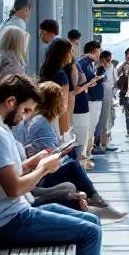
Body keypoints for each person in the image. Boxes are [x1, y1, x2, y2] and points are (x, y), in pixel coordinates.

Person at [0, 74, 129, 255]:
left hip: (16, 213)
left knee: (92, 219)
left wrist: (34, 162)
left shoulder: (0, 131)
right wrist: (43, 170)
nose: (26, 116)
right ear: (10, 101)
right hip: (12, 220)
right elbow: (13, 187)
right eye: (25, 109)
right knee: (90, 232)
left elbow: (9, 174)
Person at [15, 80, 126, 221]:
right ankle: (97, 201)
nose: (65, 102)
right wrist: (65, 151)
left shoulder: (42, 121)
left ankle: (94, 202)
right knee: (73, 166)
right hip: (39, 177)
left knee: (73, 168)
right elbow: (48, 156)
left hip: (38, 174)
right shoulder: (41, 123)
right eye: (61, 99)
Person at [39, 38, 92, 169]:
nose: (72, 54)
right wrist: (67, 138)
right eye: (70, 51)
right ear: (64, 53)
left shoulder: (46, 71)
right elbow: (63, 108)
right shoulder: (62, 75)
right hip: (58, 122)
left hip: (45, 119)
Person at [76, 41, 105, 162]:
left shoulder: (88, 64)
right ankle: (84, 154)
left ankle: (86, 153)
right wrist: (92, 81)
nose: (99, 54)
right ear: (93, 50)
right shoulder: (82, 63)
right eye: (98, 51)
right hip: (86, 101)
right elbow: (78, 84)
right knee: (87, 128)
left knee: (90, 127)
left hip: (90, 99)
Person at [94, 51, 119, 153]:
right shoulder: (99, 68)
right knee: (100, 122)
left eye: (109, 60)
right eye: (107, 60)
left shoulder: (111, 68)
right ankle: (97, 145)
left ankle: (103, 144)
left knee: (105, 122)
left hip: (107, 98)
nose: (108, 62)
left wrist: (113, 91)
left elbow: (116, 82)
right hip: (101, 98)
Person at [118, 48, 129, 138]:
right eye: (128, 54)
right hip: (125, 92)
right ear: (125, 56)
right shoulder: (122, 66)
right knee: (128, 113)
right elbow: (117, 77)